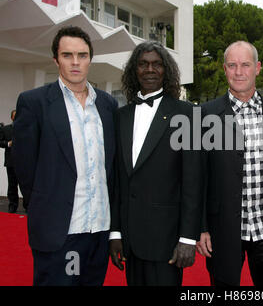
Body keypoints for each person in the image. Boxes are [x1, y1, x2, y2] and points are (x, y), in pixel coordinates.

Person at [13, 26, 118, 286]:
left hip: (99, 230)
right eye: (67, 55)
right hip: (61, 231)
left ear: (90, 59)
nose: (75, 62)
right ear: (56, 59)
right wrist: (44, 206)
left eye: (82, 55)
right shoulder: (34, 102)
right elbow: (24, 167)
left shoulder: (107, 105)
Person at [109, 41, 202, 286]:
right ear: (134, 70)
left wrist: (188, 238)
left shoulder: (187, 114)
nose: (150, 70)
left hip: (167, 241)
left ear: (166, 70)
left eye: (157, 64)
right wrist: (116, 232)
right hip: (129, 238)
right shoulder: (121, 116)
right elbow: (118, 180)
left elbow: (193, 181)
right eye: (143, 64)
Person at [197, 41, 263, 286]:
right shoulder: (205, 115)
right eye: (232, 65)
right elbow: (198, 177)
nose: (239, 72)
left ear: (257, 68)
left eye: (245, 65)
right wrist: (202, 227)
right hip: (223, 231)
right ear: (224, 69)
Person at [0, 110, 23, 213]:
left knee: (25, 185)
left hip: (24, 162)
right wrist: (8, 144)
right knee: (12, 185)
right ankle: (12, 205)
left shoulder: (26, 128)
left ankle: (27, 205)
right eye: (14, 116)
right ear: (11, 118)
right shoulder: (5, 129)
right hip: (11, 162)